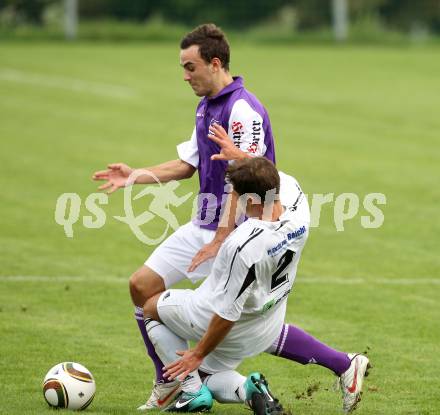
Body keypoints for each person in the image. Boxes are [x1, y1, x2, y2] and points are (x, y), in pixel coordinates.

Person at [92, 24, 369, 414]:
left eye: (190, 67)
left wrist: (222, 236)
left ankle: (336, 365)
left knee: (238, 327)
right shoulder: (207, 105)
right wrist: (135, 175)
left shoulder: (242, 109)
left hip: (239, 234)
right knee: (141, 286)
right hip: (203, 225)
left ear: (215, 62)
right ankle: (170, 385)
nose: (185, 76)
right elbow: (189, 163)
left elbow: (248, 177)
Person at [143, 157, 309, 414]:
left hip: (230, 325)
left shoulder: (241, 245)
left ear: (250, 202)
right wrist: (241, 156)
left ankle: (191, 390)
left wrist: (197, 353)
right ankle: (248, 389)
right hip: (268, 322)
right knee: (208, 373)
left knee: (150, 307)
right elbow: (276, 174)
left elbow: (226, 314)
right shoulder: (298, 207)